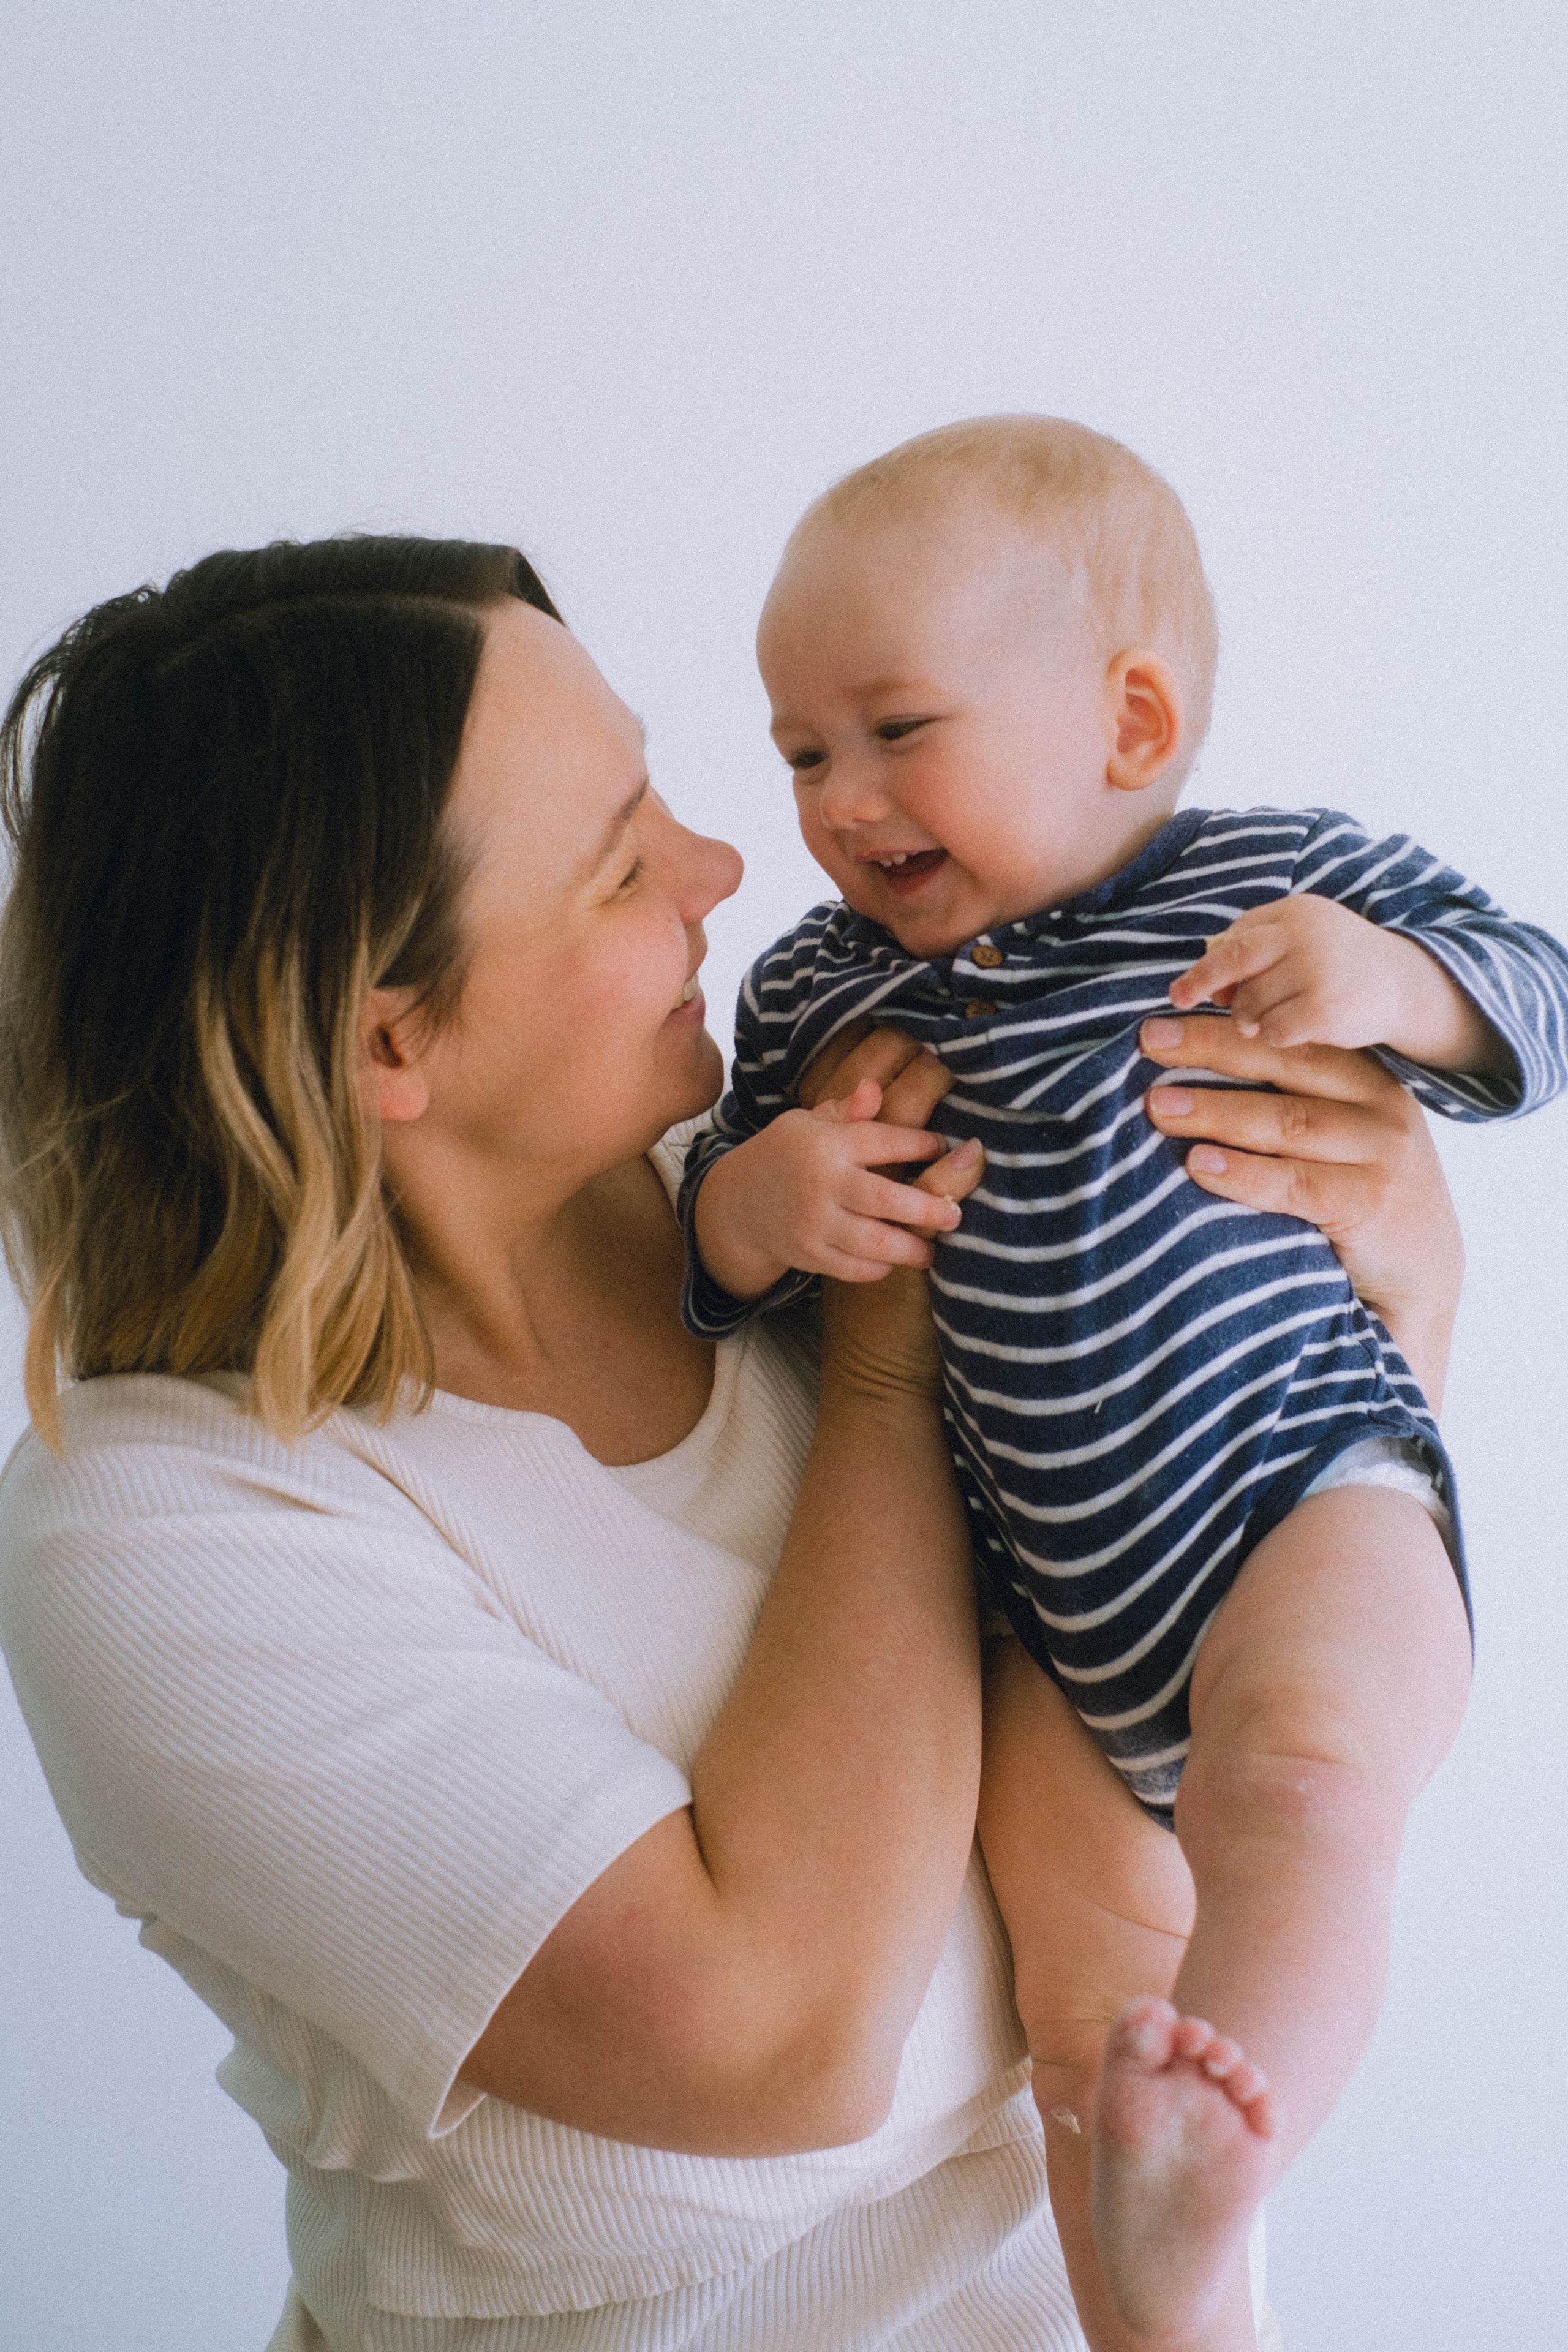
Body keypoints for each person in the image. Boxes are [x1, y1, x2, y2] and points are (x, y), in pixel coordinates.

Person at [0, 533, 1464, 2352]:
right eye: (624, 863)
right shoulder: (164, 1530)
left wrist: (1382, 1265)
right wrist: (878, 1366)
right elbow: (781, 2038)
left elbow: (1217, 1622)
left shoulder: (773, 1185)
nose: (725, 869)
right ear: (393, 1040)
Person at [678, 417, 1568, 2348]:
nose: (840, 801)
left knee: (1310, 1794)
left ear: (1135, 721)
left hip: (1306, 1501)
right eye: (802, 752)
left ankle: (1247, 2137)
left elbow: (1538, 985)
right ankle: (1167, 2305)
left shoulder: (1270, 885)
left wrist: (1399, 992)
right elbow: (704, 1258)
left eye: (896, 729)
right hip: (1041, 1623)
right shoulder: (819, 993)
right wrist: (761, 1207)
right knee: (1083, 2022)